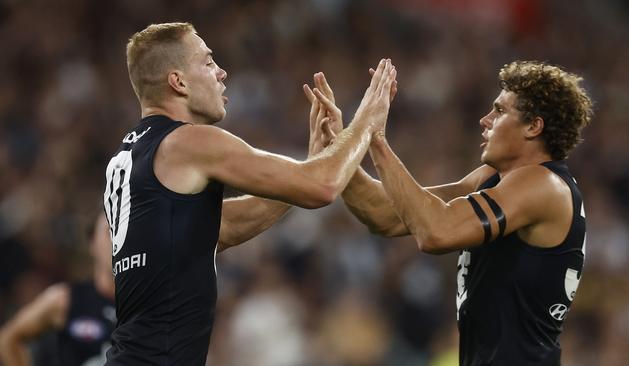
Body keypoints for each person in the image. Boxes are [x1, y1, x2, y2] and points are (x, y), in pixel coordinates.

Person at [102, 22, 396, 365]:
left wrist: (302, 174)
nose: (222, 72)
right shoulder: (189, 142)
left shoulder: (128, 158)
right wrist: (367, 120)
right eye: (208, 63)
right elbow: (323, 186)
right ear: (178, 82)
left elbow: (219, 229)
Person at [310, 61, 593, 365]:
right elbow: (386, 214)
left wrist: (374, 135)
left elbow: (437, 231)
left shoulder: (544, 185)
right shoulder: (493, 179)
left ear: (533, 126)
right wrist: (341, 149)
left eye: (499, 111)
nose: (485, 120)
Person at [0, 214, 115, 366]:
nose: (117, 241)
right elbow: (9, 339)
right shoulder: (65, 299)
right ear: (92, 241)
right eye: (109, 232)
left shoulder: (149, 303)